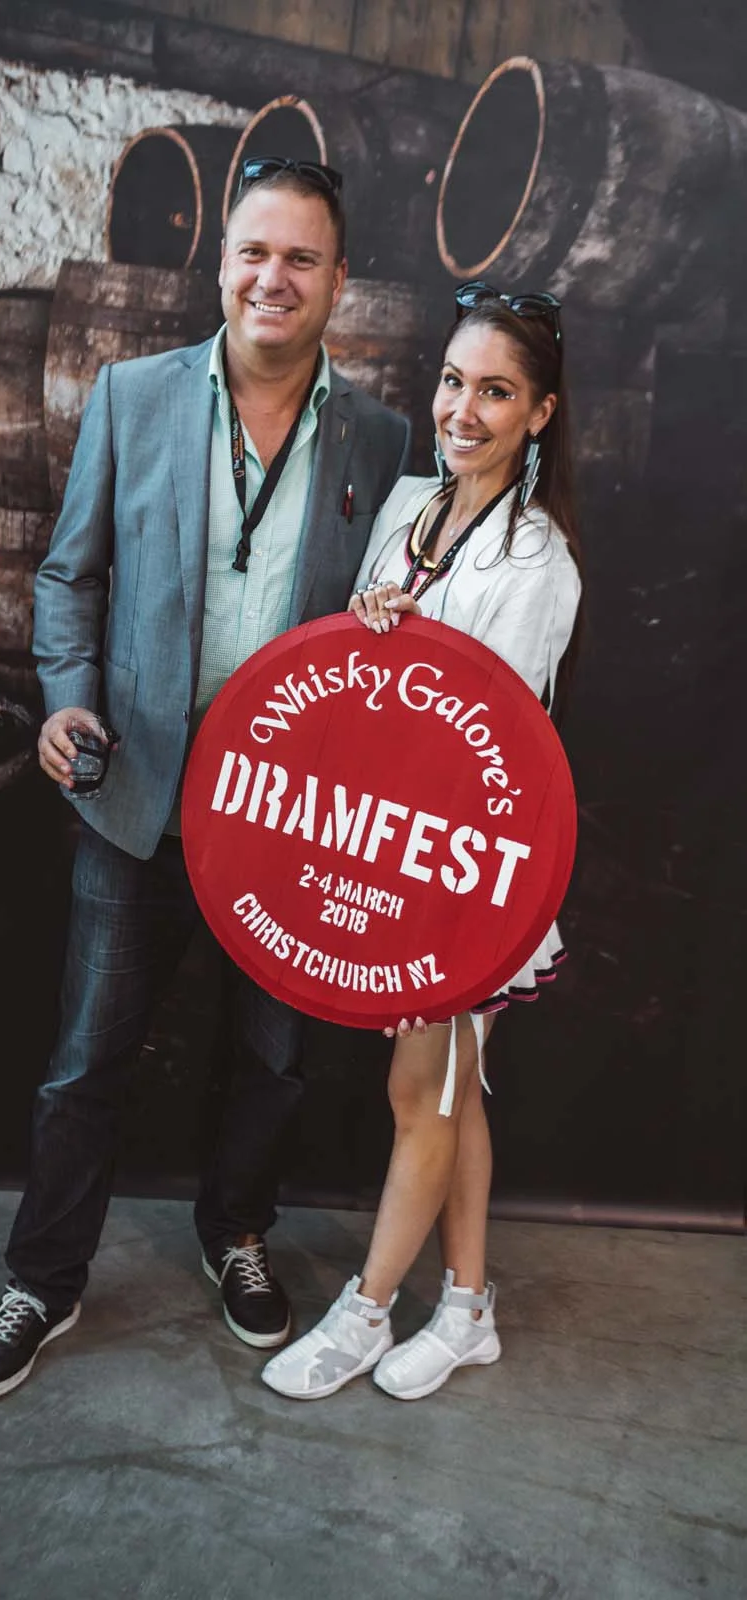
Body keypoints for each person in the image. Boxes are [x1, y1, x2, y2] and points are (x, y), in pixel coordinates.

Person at [0, 156, 411, 1401]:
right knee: (84, 1063)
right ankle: (43, 1279)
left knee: (270, 1061)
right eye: (254, 252)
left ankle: (236, 1233)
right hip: (135, 794)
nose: (274, 277)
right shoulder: (133, 394)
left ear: (338, 280)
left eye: (301, 258)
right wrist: (68, 699)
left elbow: (388, 638)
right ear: (221, 265)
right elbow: (69, 576)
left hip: (289, 820)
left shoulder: (381, 437)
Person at [260, 281, 582, 1403]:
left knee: (422, 1094)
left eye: (495, 392)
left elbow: (489, 761)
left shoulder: (538, 562)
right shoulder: (406, 504)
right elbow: (364, 696)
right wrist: (372, 628)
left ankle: (363, 1313)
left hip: (462, 878)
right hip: (389, 853)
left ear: (539, 413)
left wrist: (426, 930)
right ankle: (468, 1308)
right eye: (453, 382)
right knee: (455, 1093)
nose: (463, 410)